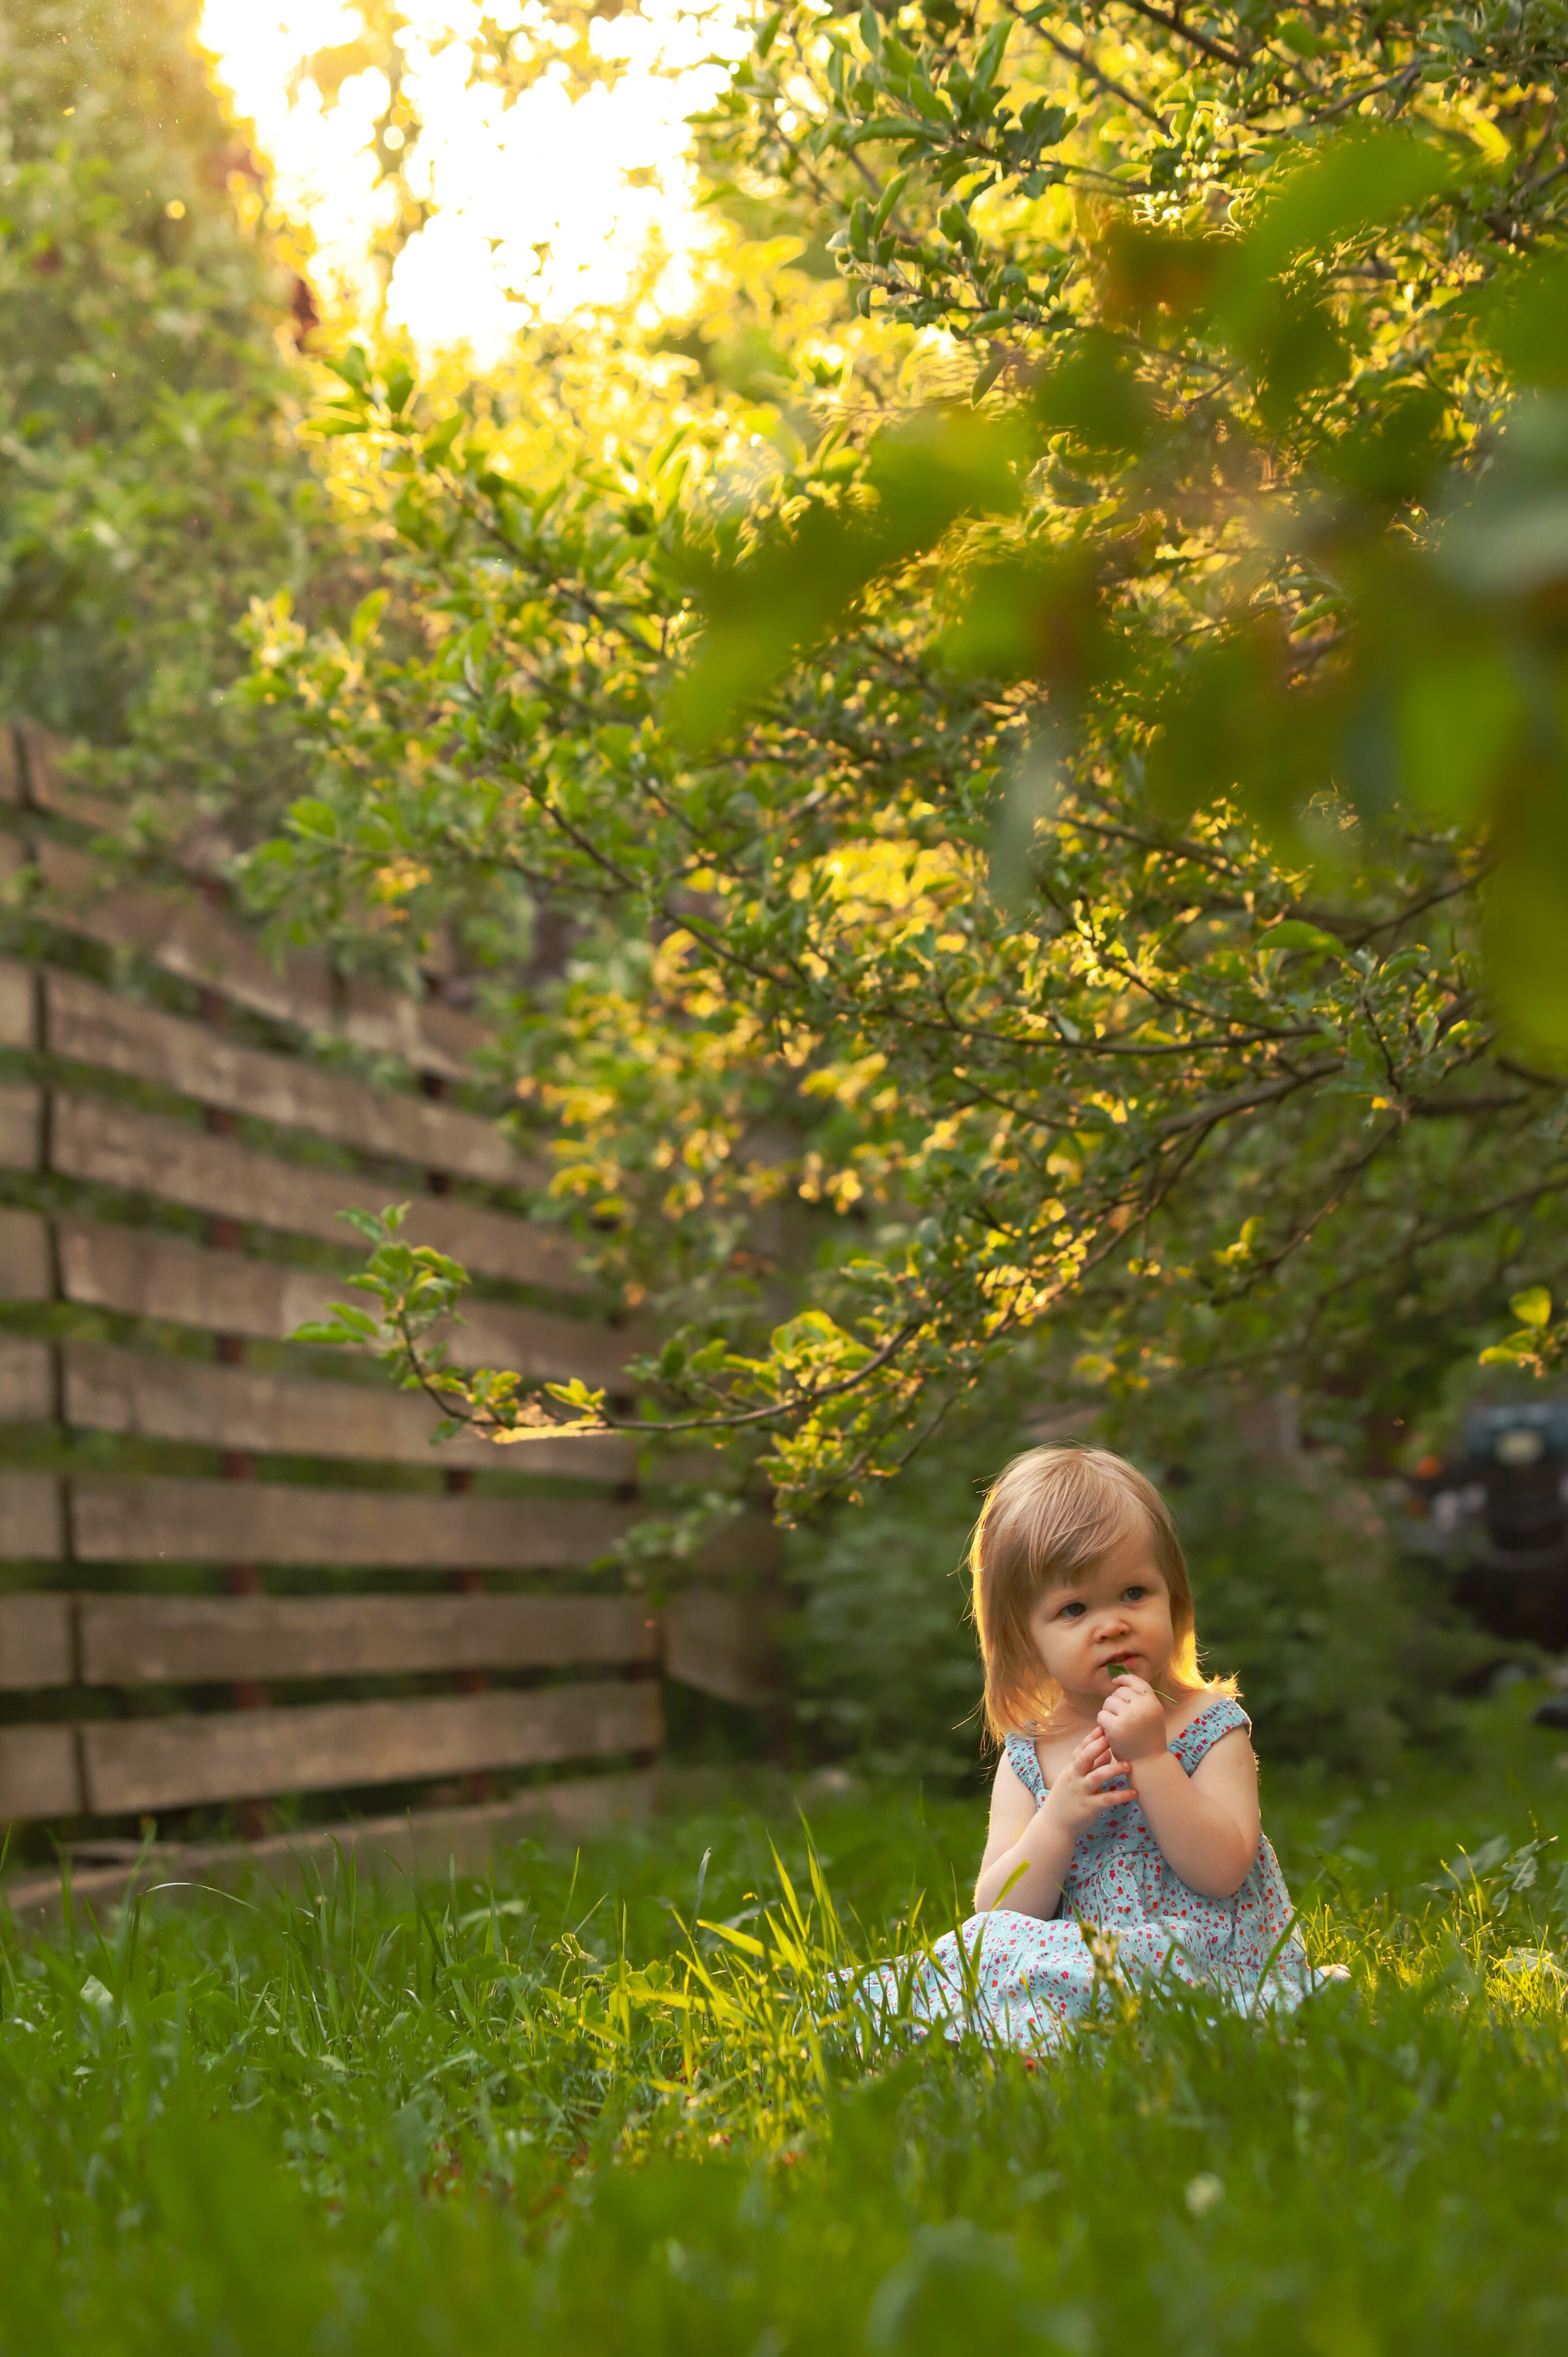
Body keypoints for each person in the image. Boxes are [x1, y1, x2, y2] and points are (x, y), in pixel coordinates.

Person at [880, 1444, 1318, 2051]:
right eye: (1074, 1607)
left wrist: (1150, 1759)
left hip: (1202, 1956)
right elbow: (997, 1908)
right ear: (1026, 1638)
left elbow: (1221, 1871)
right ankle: (1022, 2032)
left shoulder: (1209, 1726)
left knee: (1097, 1995)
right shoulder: (1031, 1753)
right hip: (1077, 1959)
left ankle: (1050, 2033)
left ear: (1175, 1597)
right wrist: (1055, 1821)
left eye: (1134, 1592)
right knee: (981, 1956)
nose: (1110, 1623)